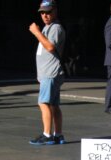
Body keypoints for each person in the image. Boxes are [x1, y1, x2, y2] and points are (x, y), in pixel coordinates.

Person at [28, 0, 66, 145]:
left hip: (50, 72)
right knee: (54, 105)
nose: (45, 15)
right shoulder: (48, 27)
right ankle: (58, 134)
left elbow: (50, 47)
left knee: (43, 103)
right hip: (49, 72)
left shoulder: (55, 28)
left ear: (55, 11)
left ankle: (47, 134)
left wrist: (36, 32)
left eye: (48, 12)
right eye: (42, 12)